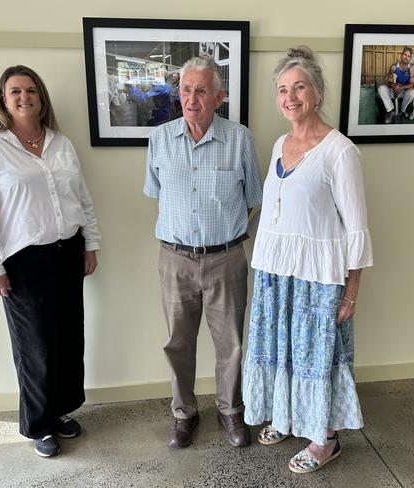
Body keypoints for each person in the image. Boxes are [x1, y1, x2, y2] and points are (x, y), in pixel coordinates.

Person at [243, 46, 373, 474]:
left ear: (317, 93)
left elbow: (355, 228)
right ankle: (288, 415)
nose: (290, 96)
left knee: (317, 356)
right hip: (277, 272)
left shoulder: (340, 151)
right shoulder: (281, 142)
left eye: (299, 86)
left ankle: (326, 439)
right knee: (283, 351)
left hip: (319, 276)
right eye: (283, 89)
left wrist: (350, 293)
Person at [0, 65, 100, 458]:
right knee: (36, 346)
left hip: (67, 253)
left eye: (30, 91)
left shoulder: (61, 143)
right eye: (14, 92)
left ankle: (58, 413)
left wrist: (90, 244)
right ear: (3, 100)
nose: (23, 97)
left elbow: (83, 199)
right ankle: (38, 424)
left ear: (41, 98)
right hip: (24, 262)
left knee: (67, 339)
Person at [143, 56, 262, 449]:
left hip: (226, 258)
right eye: (186, 89)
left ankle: (230, 411)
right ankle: (184, 414)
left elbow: (252, 199)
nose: (192, 98)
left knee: (231, 342)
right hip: (174, 258)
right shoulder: (159, 139)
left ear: (219, 97)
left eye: (202, 90)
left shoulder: (240, 139)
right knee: (178, 341)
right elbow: (157, 193)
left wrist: (223, 234)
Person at [377, 46, 414, 123]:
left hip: (403, 92)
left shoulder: (411, 68)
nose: (406, 57)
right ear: (401, 55)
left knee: (412, 92)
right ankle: (390, 111)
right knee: (381, 89)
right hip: (393, 91)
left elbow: (412, 84)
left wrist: (402, 87)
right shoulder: (394, 67)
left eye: (409, 56)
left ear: (410, 58)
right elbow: (389, 82)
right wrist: (393, 85)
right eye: (405, 54)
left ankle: (403, 110)